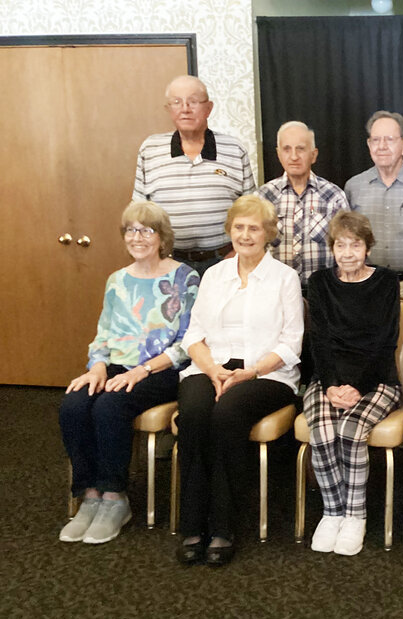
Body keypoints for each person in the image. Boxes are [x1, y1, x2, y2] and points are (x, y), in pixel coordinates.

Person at [59, 201, 198, 544]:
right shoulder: (117, 280)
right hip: (117, 365)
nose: (138, 237)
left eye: (146, 230)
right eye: (131, 230)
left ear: (162, 236)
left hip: (162, 368)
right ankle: (89, 495)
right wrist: (98, 367)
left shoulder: (184, 277)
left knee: (109, 406)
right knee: (74, 405)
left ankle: (114, 498)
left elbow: (188, 341)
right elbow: (103, 333)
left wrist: (142, 370)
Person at [175, 194, 303, 567]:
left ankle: (223, 526)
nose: (245, 235)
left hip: (266, 373)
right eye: (239, 227)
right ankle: (192, 524)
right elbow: (193, 336)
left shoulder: (284, 278)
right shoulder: (213, 275)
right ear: (230, 230)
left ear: (268, 234)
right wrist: (213, 370)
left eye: (254, 228)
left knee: (227, 415)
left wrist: (250, 372)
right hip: (209, 367)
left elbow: (291, 342)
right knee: (195, 413)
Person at [305, 211, 401, 557]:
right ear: (332, 249)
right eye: (340, 245)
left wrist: (357, 387)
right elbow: (319, 341)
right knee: (322, 431)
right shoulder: (318, 283)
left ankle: (356, 514)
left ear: (367, 248)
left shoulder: (386, 282)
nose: (347, 252)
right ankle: (333, 512)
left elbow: (384, 341)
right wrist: (331, 384)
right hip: (328, 378)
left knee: (350, 431)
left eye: (355, 244)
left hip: (376, 380)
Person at [133, 75, 256, 276]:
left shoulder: (234, 149)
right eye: (177, 102)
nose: (185, 109)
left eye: (193, 101)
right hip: (167, 264)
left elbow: (252, 212)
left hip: (225, 262)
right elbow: (139, 214)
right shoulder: (150, 149)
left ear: (208, 108)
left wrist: (236, 255)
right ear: (168, 109)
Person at [344, 110, 403, 304]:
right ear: (369, 145)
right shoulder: (353, 187)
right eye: (375, 140)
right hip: (368, 285)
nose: (381, 146)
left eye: (389, 139)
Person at [259, 121, 349, 289]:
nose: (294, 156)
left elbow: (347, 250)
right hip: (275, 291)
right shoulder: (263, 197)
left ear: (313, 155)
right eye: (287, 149)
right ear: (278, 154)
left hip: (324, 292)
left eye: (300, 149)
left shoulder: (334, 196)